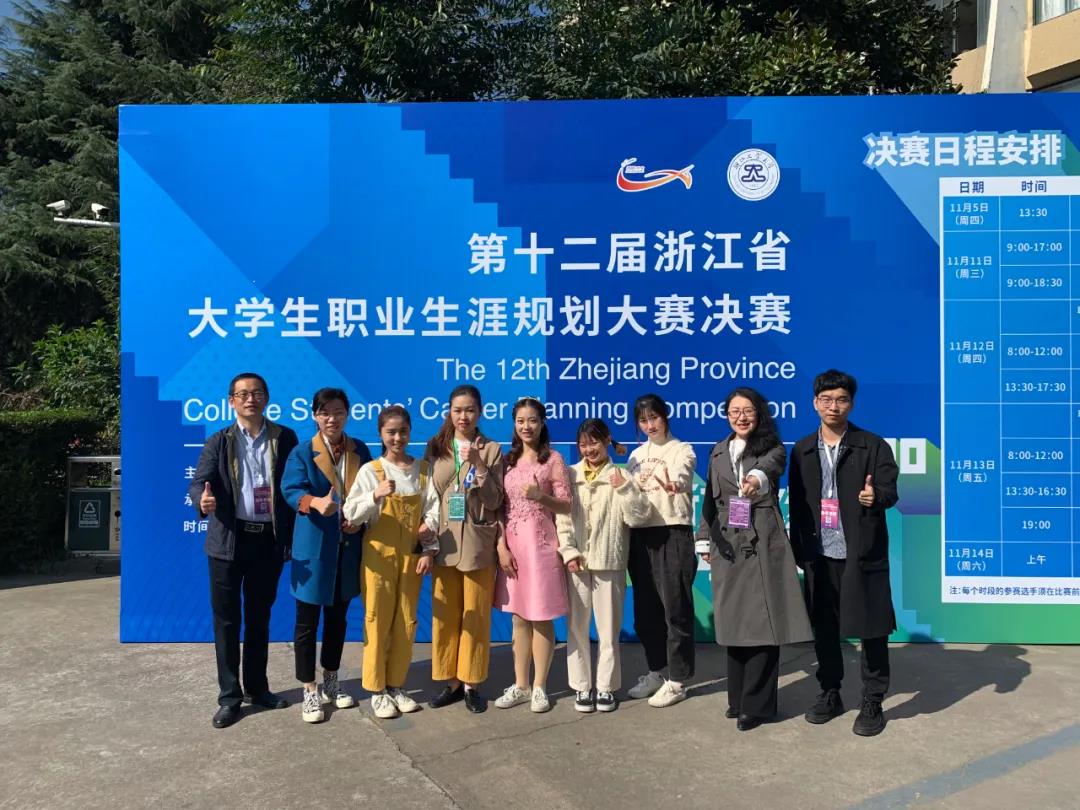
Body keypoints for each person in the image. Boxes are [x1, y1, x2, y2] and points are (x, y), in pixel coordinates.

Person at [788, 369, 899, 737]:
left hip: (860, 552)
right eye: (826, 400)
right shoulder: (802, 450)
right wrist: (798, 549)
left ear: (851, 403)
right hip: (819, 554)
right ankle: (830, 692)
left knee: (872, 629)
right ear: (814, 403)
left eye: (841, 400)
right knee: (824, 629)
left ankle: (872, 699)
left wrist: (875, 496)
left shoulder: (872, 445)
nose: (833, 406)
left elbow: (890, 490)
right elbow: (798, 504)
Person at [697, 387, 812, 731]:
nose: (741, 417)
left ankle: (758, 705)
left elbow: (768, 468)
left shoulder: (772, 447)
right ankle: (738, 699)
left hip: (762, 539)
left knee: (763, 622)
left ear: (759, 414)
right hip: (728, 542)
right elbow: (709, 499)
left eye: (747, 410)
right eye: (734, 411)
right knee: (734, 622)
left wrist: (754, 480)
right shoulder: (718, 450)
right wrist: (704, 539)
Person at [188, 372, 298, 729]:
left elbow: (293, 486)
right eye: (243, 394)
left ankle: (258, 688)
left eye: (257, 393)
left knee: (259, 617)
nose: (251, 399)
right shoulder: (219, 441)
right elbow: (198, 482)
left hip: (267, 540)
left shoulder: (285, 438)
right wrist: (201, 501)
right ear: (231, 401)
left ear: (266, 398)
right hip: (228, 542)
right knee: (226, 621)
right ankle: (229, 697)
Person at [281, 388, 372, 724]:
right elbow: (291, 489)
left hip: (348, 548)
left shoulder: (359, 449)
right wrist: (315, 502)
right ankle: (309, 689)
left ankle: (331, 680)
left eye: (338, 412)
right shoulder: (303, 451)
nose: (332, 419)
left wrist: (359, 518)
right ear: (315, 416)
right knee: (306, 623)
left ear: (347, 414)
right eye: (325, 413)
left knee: (338, 620)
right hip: (314, 547)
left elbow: (368, 491)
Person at [343, 406, 440, 719]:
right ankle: (376, 690)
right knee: (377, 620)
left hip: (411, 558)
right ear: (381, 434)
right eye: (391, 432)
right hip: (378, 558)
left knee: (407, 621)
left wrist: (428, 543)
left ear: (410, 432)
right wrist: (375, 495)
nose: (398, 438)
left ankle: (396, 684)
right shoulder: (371, 471)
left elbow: (434, 510)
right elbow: (350, 513)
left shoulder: (423, 470)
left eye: (403, 431)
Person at [556, 419, 651, 713]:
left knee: (608, 631)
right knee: (576, 628)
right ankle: (581, 687)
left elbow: (638, 517)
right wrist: (568, 552)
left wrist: (625, 488)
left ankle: (606, 688)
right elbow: (562, 520)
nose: (589, 449)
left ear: (608, 440)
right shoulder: (570, 475)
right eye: (583, 444)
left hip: (609, 563)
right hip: (577, 564)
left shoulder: (621, 475)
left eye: (594, 442)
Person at [424, 385, 505, 713]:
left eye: (470, 410)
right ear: (449, 412)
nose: (463, 416)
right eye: (457, 410)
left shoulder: (492, 449)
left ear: (480, 412)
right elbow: (428, 496)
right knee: (445, 616)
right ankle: (451, 682)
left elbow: (495, 501)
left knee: (476, 615)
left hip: (476, 544)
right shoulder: (436, 447)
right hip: (444, 543)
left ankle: (472, 683)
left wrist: (479, 466)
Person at [492, 398, 572, 713]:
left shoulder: (553, 459)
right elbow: (499, 508)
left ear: (542, 423)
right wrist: (501, 546)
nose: (527, 427)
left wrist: (541, 497)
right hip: (512, 548)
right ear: (514, 424)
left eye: (533, 420)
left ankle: (540, 687)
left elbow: (566, 505)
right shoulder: (506, 460)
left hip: (541, 548)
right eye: (521, 421)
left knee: (540, 617)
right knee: (518, 617)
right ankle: (521, 685)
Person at [624, 393, 698, 707]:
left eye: (654, 417)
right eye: (643, 420)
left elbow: (683, 473)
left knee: (675, 609)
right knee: (646, 613)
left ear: (665, 416)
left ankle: (678, 680)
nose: (650, 425)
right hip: (640, 535)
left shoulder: (682, 449)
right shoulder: (635, 456)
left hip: (673, 532)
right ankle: (656, 671)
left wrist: (675, 484)